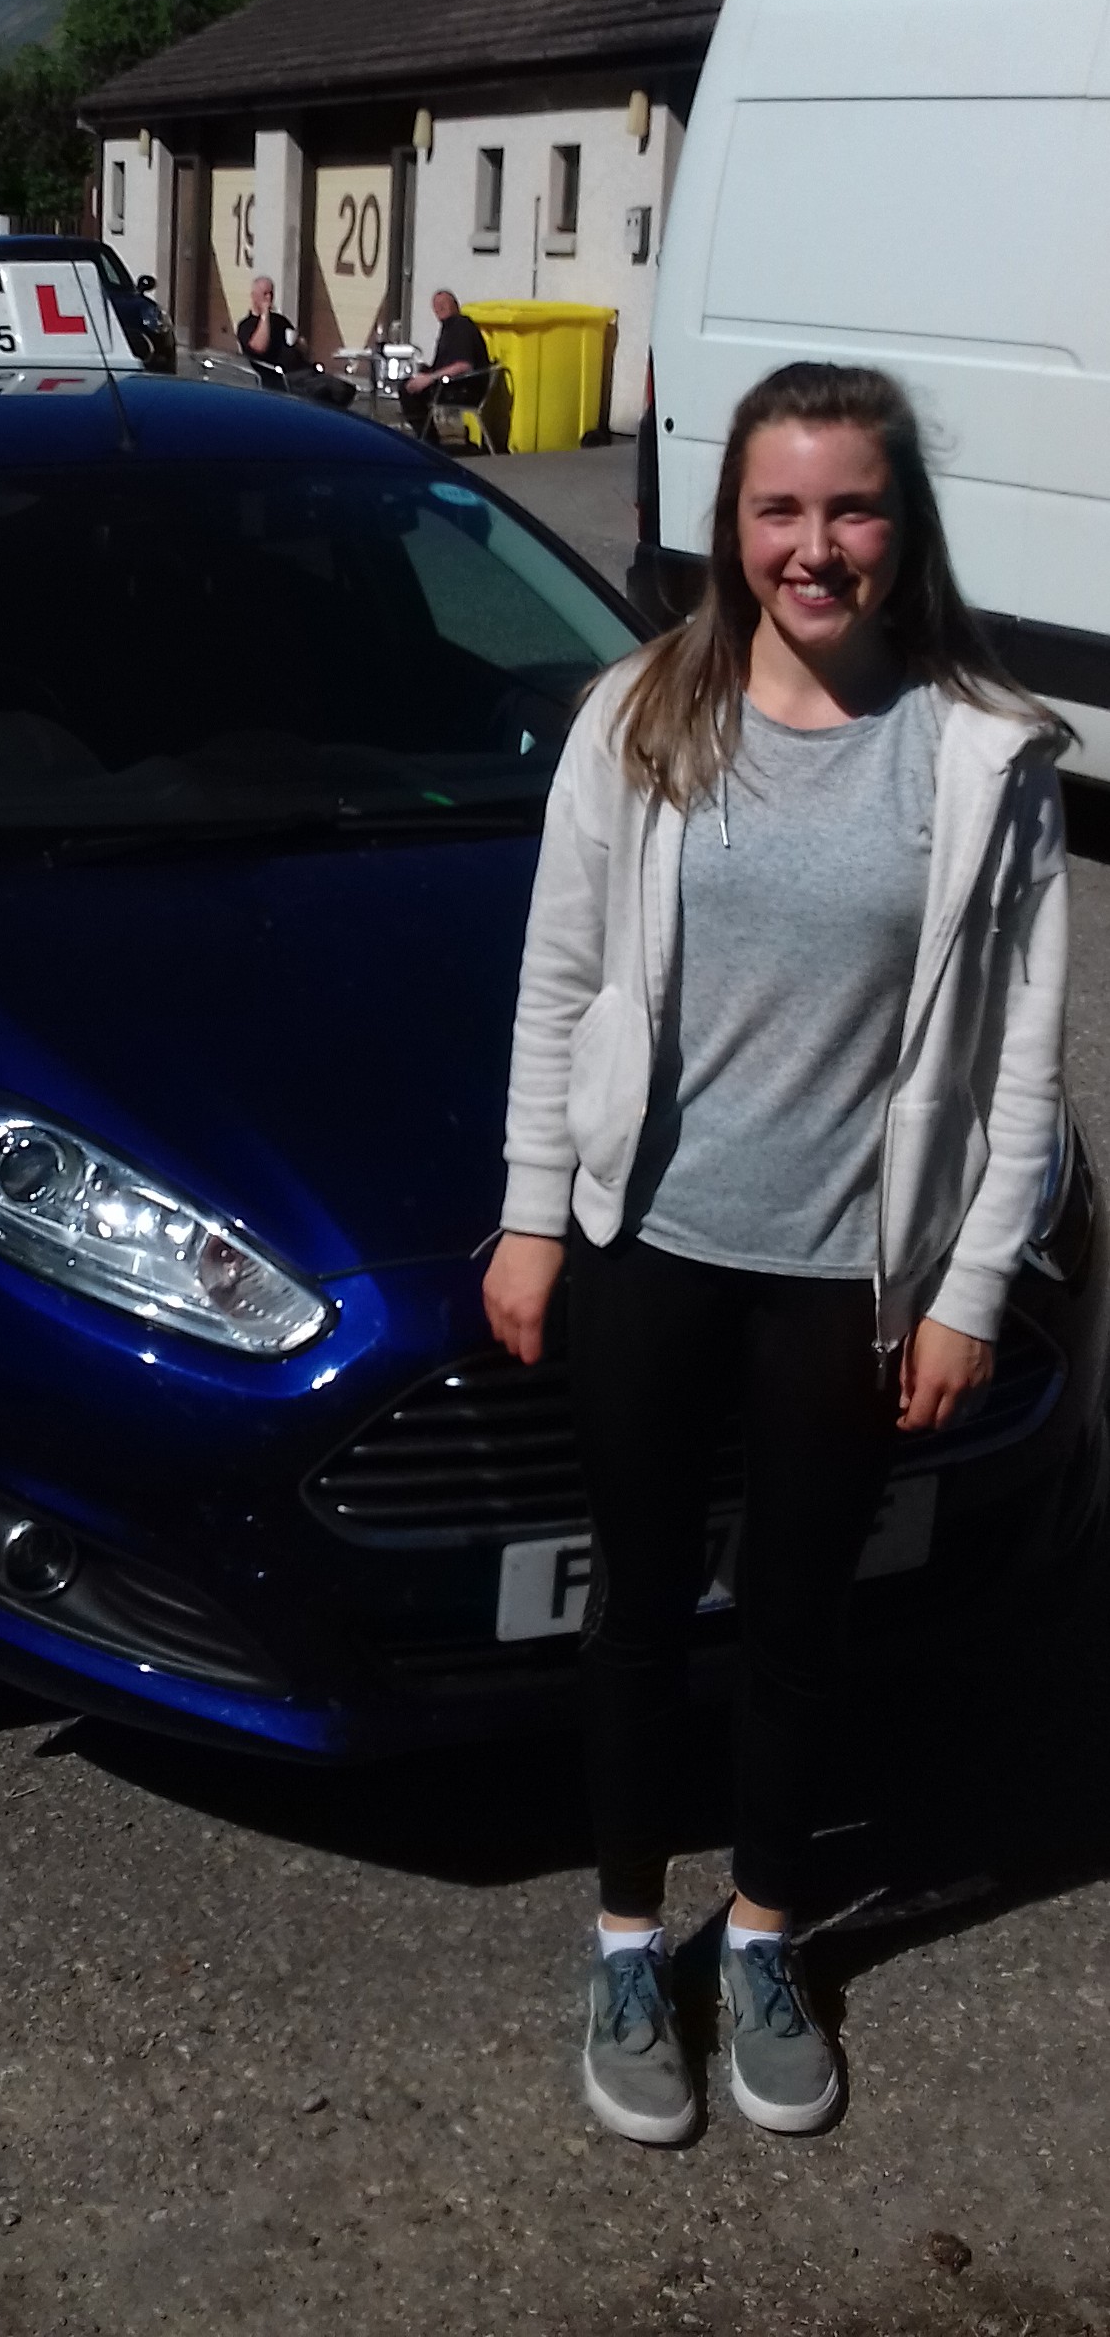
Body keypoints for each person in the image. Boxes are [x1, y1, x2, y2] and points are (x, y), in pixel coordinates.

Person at [482, 360, 1068, 2146]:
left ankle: (759, 1937)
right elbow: (560, 976)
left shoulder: (979, 751)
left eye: (851, 506)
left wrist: (967, 1288)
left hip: (844, 1273)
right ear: (731, 525)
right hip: (648, 1241)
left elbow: (1019, 1053)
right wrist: (531, 1213)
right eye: (780, 508)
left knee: (802, 1620)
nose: (816, 545)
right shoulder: (641, 714)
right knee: (640, 1608)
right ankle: (623, 1943)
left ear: (903, 525)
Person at [236, 276, 354, 405]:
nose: (269, 298)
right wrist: (265, 314)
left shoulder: (280, 320)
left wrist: (299, 343)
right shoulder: (246, 325)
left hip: (304, 371)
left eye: (271, 293)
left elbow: (301, 346)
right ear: (254, 296)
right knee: (322, 392)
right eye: (265, 294)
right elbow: (259, 347)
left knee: (345, 389)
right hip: (282, 376)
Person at [399, 288, 490, 434]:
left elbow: (463, 366)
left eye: (443, 304)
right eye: (436, 306)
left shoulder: (461, 326)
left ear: (456, 305)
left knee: (409, 390)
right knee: (409, 382)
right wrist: (424, 373)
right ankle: (427, 437)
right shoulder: (449, 328)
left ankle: (428, 439)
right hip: (452, 385)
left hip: (465, 390)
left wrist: (429, 378)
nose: (439, 308)